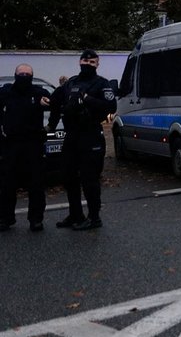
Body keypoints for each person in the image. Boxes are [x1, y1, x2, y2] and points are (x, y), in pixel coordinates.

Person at [47, 50, 116, 231]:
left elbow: (111, 106)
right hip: (72, 136)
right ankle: (75, 214)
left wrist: (87, 99)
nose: (88, 64)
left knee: (89, 179)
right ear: (79, 61)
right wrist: (49, 121)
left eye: (92, 62)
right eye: (85, 60)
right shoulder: (71, 83)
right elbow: (55, 101)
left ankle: (94, 218)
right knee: (68, 177)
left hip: (91, 135)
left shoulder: (102, 84)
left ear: (97, 64)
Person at [0, 64, 50, 231]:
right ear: (15, 74)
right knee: (7, 184)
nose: (24, 76)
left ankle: (36, 219)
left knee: (36, 184)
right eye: (21, 73)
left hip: (33, 145)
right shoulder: (5, 92)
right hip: (10, 145)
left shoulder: (39, 92)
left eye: (27, 74)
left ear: (32, 75)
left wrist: (49, 126)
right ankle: (6, 218)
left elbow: (53, 104)